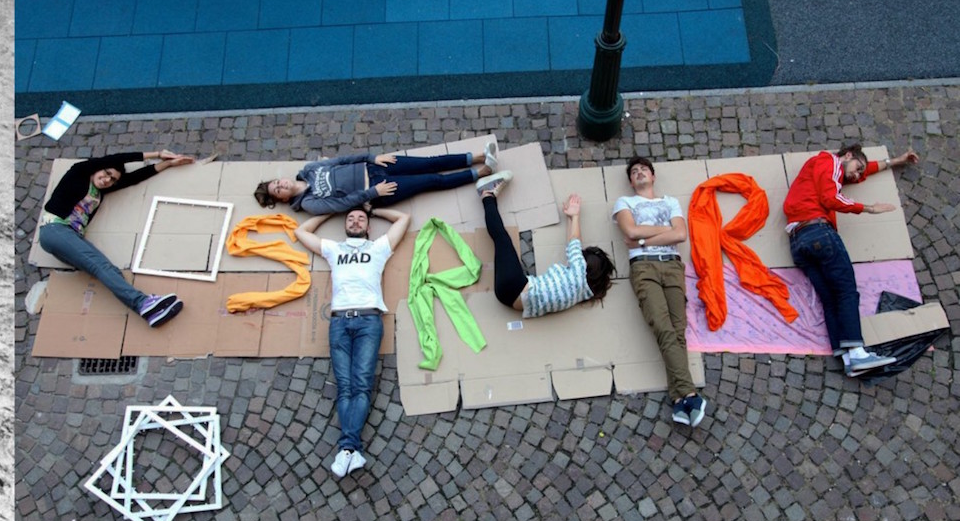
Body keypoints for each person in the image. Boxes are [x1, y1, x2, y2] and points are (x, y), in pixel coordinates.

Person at [781, 143, 923, 375]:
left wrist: (896, 161)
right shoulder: (828, 162)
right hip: (819, 233)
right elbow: (830, 199)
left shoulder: (829, 173)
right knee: (846, 291)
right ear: (847, 155)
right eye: (857, 167)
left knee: (829, 298)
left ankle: (846, 356)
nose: (857, 174)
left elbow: (862, 173)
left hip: (798, 242)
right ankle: (857, 352)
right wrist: (868, 208)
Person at [294, 206, 410, 478]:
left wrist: (374, 209)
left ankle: (348, 449)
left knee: (361, 385)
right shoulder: (334, 249)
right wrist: (332, 211)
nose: (356, 221)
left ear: (368, 226)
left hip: (370, 321)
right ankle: (351, 451)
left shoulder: (379, 248)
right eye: (350, 218)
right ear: (344, 224)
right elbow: (301, 231)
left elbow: (404, 218)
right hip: (339, 322)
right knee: (345, 387)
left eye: (361, 219)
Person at [36, 149, 198, 327]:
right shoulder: (79, 172)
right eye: (106, 173)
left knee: (110, 271)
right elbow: (114, 158)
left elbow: (134, 178)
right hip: (55, 230)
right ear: (98, 168)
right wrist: (158, 154)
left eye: (112, 179)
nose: (107, 181)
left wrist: (168, 164)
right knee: (101, 266)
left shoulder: (100, 192)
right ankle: (142, 303)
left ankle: (151, 313)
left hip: (67, 236)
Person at [612, 157, 704, 425]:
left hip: (672, 267)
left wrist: (641, 238)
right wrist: (664, 230)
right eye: (634, 172)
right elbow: (629, 230)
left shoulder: (670, 201)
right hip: (644, 268)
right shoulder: (624, 203)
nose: (639, 173)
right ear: (631, 181)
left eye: (643, 170)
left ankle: (677, 401)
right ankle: (690, 393)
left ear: (653, 176)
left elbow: (680, 235)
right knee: (663, 328)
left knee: (678, 331)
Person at [475, 172, 617, 317]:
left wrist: (575, 216)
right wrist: (569, 219)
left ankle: (487, 195)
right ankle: (490, 198)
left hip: (515, 286)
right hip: (509, 298)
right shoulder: (584, 293)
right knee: (502, 246)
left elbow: (574, 241)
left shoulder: (579, 270)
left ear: (586, 265)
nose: (580, 255)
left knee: (502, 239)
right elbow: (571, 246)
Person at [254, 148, 493, 215]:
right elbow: (341, 204)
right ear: (283, 199)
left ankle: (476, 156)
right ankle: (479, 173)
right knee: (431, 180)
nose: (281, 185)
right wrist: (373, 192)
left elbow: (341, 160)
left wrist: (372, 157)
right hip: (379, 191)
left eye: (278, 182)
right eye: (278, 191)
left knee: (428, 162)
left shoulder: (309, 170)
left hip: (374, 166)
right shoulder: (308, 204)